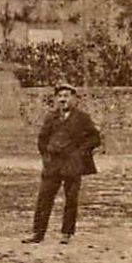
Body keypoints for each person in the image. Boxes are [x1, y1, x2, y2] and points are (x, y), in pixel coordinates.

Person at [25, 83, 102, 245]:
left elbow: (95, 138)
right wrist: (46, 155)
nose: (62, 99)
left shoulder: (82, 118)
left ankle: (66, 233)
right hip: (53, 163)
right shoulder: (51, 117)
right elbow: (42, 139)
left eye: (66, 96)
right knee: (44, 197)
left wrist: (80, 153)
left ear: (74, 99)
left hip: (72, 164)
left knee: (71, 198)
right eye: (60, 96)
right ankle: (38, 233)